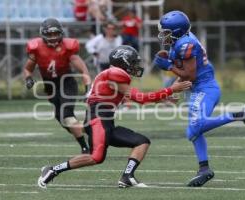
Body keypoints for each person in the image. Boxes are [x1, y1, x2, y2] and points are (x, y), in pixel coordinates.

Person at [37, 45, 192, 189]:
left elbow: (129, 98)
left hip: (105, 122)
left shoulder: (110, 75)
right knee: (96, 157)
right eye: (132, 62)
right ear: (123, 62)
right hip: (97, 120)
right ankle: (52, 170)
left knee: (141, 142)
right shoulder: (115, 74)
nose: (135, 66)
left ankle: (127, 177)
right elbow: (141, 98)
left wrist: (161, 98)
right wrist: (170, 90)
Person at [154, 11, 245, 187]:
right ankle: (204, 169)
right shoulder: (180, 40)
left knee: (197, 126)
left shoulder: (186, 44)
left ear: (176, 31)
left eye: (166, 32)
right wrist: (175, 91)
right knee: (192, 132)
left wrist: (169, 66)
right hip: (198, 88)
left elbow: (191, 75)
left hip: (205, 88)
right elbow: (185, 73)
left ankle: (239, 114)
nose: (163, 35)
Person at [23, 18, 91, 154]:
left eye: (56, 34)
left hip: (66, 82)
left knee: (67, 115)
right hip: (50, 85)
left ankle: (85, 148)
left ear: (61, 33)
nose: (53, 37)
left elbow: (83, 70)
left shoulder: (68, 47)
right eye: (50, 34)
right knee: (62, 119)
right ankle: (89, 131)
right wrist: (28, 78)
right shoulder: (36, 48)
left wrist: (88, 88)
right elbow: (27, 69)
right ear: (43, 34)